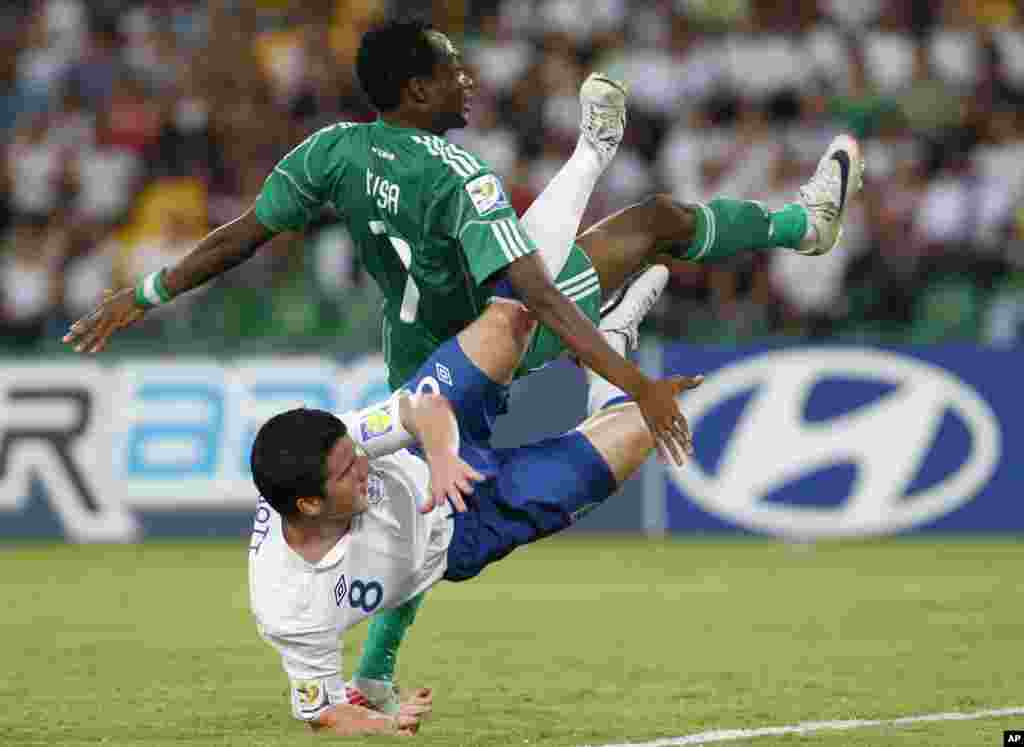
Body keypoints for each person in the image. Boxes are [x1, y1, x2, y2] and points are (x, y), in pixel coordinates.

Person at [63, 16, 863, 716]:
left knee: (428, 509)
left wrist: (145, 291)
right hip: (485, 346)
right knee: (448, 494)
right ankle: (710, 237)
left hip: (417, 356)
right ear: (416, 91)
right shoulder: (461, 176)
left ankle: (661, 186)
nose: (465, 76)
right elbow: (535, 300)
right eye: (449, 67)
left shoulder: (332, 151)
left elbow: (243, 232)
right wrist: (635, 385)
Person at [248, 262, 700, 737]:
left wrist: (442, 458)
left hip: (435, 453)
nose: (362, 465)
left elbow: (423, 408)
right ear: (310, 506)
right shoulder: (290, 608)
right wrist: (387, 723)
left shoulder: (328, 445)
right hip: (464, 530)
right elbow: (325, 714)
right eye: (347, 472)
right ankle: (613, 338)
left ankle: (573, 286)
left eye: (356, 455)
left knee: (512, 314)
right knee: (648, 422)